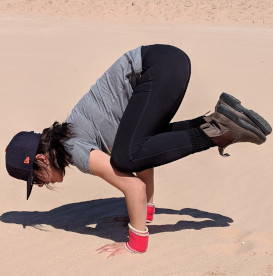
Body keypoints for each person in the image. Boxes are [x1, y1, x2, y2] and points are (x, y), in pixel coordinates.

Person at [5, 44, 272, 257]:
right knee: (134, 150)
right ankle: (222, 120)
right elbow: (145, 158)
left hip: (155, 68)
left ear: (41, 158)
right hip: (166, 61)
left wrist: (136, 241)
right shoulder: (73, 135)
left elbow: (134, 187)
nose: (39, 185)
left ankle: (220, 129)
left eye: (34, 177)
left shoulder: (73, 149)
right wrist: (145, 212)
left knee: (126, 156)